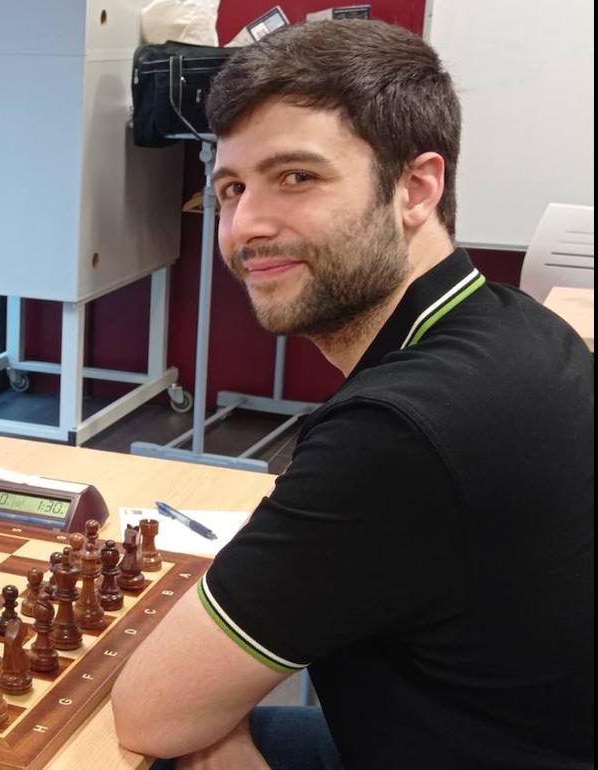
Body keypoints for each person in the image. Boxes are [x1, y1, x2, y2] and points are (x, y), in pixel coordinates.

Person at [112, 19, 593, 770]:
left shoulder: (404, 429)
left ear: (416, 187)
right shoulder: (511, 324)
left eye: (297, 176)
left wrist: (214, 726)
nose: (247, 226)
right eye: (231, 188)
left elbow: (151, 714)